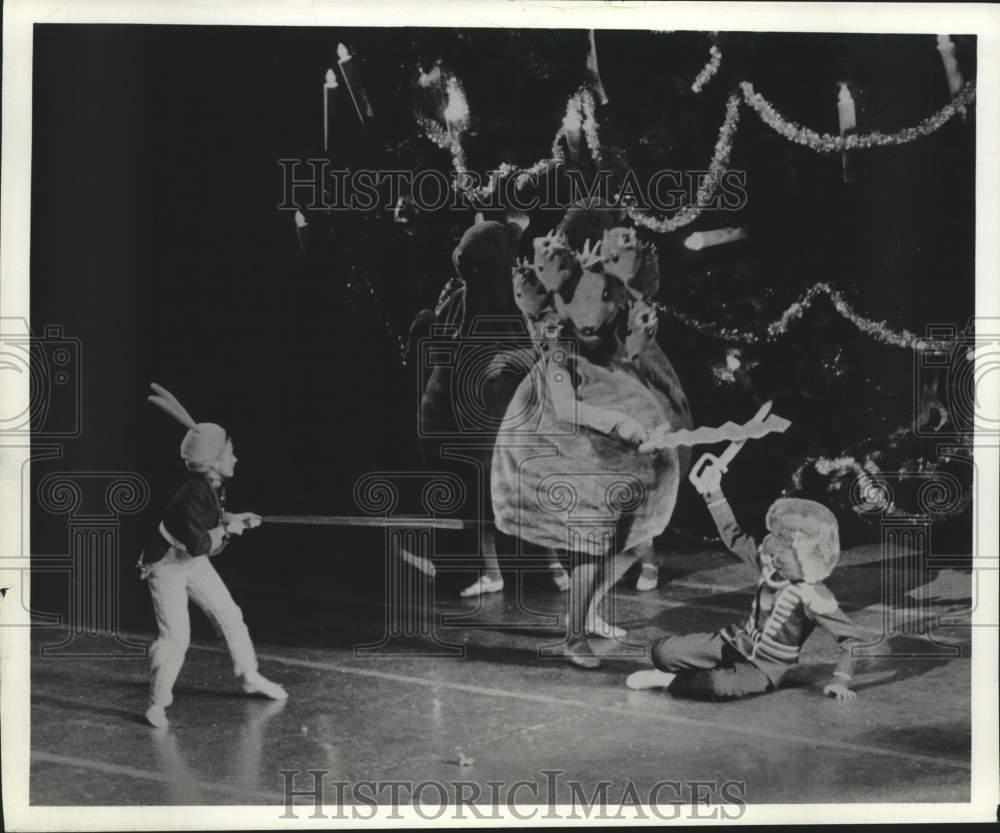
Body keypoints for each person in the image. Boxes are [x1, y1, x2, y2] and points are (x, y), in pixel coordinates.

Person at [492, 232, 690, 667]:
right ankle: (574, 635)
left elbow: (634, 363)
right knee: (594, 542)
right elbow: (564, 406)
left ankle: (589, 612)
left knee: (635, 542)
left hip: (616, 447)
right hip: (564, 444)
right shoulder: (558, 342)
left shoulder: (615, 328)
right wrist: (618, 421)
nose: (590, 320)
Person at [626, 456, 865, 700]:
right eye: (778, 545)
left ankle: (670, 681)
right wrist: (714, 492)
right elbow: (735, 537)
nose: (775, 553)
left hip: (764, 668)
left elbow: (852, 639)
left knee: (717, 685)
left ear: (807, 558)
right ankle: (696, 670)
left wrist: (841, 681)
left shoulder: (815, 596)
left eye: (786, 550)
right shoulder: (769, 564)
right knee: (663, 652)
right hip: (734, 642)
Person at [139, 383, 287, 728]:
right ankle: (156, 704)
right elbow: (199, 544)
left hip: (189, 558)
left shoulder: (211, 486)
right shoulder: (192, 494)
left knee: (229, 613)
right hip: (167, 565)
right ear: (211, 464)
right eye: (229, 454)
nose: (235, 458)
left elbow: (211, 523)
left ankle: (249, 674)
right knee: (176, 638)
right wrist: (229, 530)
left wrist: (235, 519)